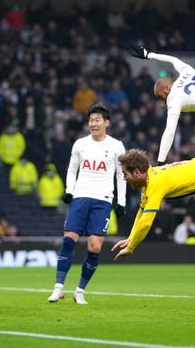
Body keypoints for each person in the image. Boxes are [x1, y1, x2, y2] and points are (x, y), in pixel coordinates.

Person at [47, 103, 126, 305]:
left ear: (106, 122)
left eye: (97, 120)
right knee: (68, 240)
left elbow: (121, 176)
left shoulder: (116, 146)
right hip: (81, 197)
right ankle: (58, 288)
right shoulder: (80, 144)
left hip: (103, 200)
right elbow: (72, 169)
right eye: (91, 120)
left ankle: (79, 291)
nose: (93, 123)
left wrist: (122, 202)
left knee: (94, 248)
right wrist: (69, 190)